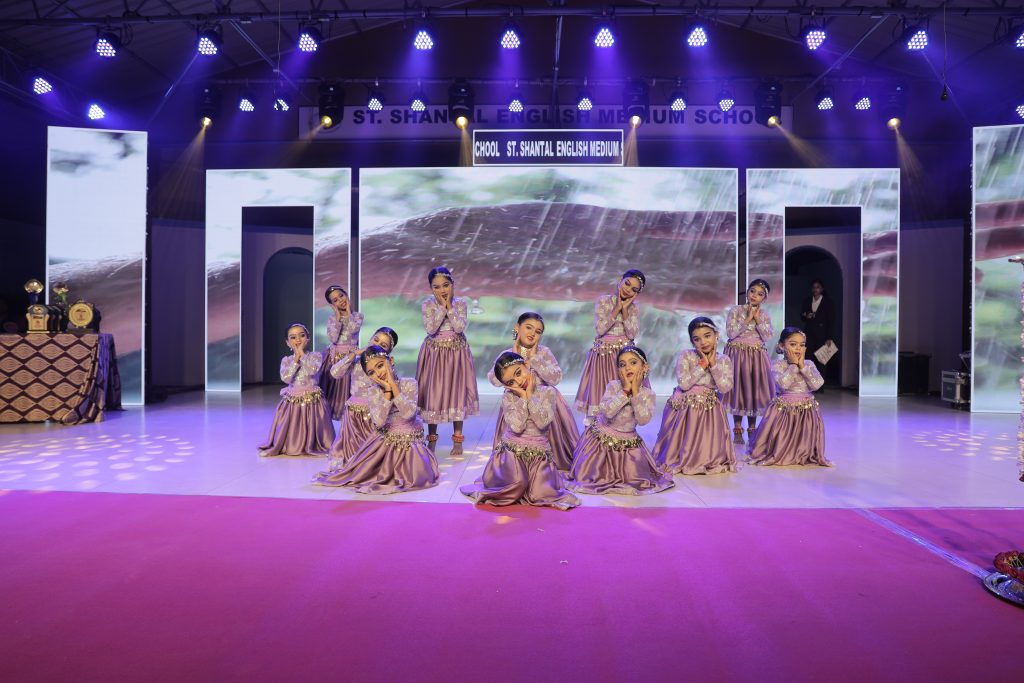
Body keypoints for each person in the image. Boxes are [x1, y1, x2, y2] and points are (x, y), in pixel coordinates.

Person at [461, 352, 580, 510]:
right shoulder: (509, 396)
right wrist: (523, 397)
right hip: (511, 455)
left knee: (539, 495)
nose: (519, 381)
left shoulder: (548, 392)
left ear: (527, 365)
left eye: (518, 373)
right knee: (517, 484)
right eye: (511, 382)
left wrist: (530, 395)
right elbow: (517, 427)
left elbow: (543, 423)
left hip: (539, 455)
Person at [313, 345, 439, 493]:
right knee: (370, 473)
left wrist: (393, 386)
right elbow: (379, 422)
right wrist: (387, 392)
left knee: (417, 475)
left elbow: (408, 414)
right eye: (371, 372)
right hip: (386, 440)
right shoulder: (374, 391)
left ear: (391, 360)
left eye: (380, 366)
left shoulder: (409, 383)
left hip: (411, 442)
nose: (378, 373)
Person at [569, 346, 674, 496]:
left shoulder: (648, 394)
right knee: (593, 475)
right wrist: (625, 392)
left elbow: (643, 419)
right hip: (602, 440)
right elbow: (607, 412)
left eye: (633, 362)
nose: (627, 368)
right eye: (622, 365)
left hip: (628, 441)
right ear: (618, 370)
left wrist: (635, 393)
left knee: (636, 478)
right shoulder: (613, 386)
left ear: (645, 367)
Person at [485, 312, 579, 471]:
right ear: (517, 328)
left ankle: (547, 466)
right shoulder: (508, 354)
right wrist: (515, 356)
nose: (532, 333)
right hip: (516, 401)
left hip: (543, 401)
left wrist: (535, 359)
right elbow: (494, 380)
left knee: (547, 436)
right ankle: (515, 465)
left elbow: (556, 378)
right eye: (528, 327)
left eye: (538, 331)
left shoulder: (544, 352)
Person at [653, 317, 736, 475]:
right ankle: (681, 456)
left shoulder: (724, 360)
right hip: (684, 405)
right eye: (697, 339)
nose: (703, 342)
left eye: (707, 336)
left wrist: (713, 365)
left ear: (716, 335)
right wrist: (702, 365)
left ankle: (702, 458)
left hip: (709, 408)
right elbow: (684, 384)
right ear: (692, 341)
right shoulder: (686, 355)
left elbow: (725, 387)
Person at [415, 266, 479, 452]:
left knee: (456, 392)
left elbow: (459, 327)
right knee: (433, 393)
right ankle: (432, 438)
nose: (442, 290)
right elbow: (431, 329)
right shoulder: (428, 305)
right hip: (434, 353)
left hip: (456, 353)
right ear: (431, 288)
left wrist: (449, 307)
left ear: (452, 284)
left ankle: (457, 439)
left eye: (445, 285)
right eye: (436, 287)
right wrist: (442, 307)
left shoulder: (460, 304)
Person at [747, 327, 831, 467]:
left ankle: (803, 452)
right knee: (781, 435)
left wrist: (802, 367)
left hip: (806, 410)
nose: (798, 348)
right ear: (781, 345)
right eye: (793, 344)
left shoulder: (808, 364)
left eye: (802, 345)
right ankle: (782, 451)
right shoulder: (777, 365)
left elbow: (817, 384)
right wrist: (793, 366)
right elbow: (783, 384)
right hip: (784, 410)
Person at [574, 269, 647, 422]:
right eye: (627, 283)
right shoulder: (603, 301)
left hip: (624, 357)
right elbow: (600, 329)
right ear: (620, 280)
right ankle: (596, 430)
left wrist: (625, 310)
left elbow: (632, 334)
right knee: (601, 394)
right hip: (603, 355)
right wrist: (617, 308)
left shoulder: (634, 307)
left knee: (623, 395)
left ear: (636, 294)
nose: (628, 290)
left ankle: (620, 428)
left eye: (634, 289)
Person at [322, 327, 398, 471]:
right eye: (375, 340)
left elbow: (393, 389)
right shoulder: (356, 361)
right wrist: (353, 355)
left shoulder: (385, 367)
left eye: (383, 345)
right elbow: (335, 372)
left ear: (388, 352)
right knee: (351, 448)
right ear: (370, 339)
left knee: (372, 449)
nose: (376, 345)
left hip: (374, 413)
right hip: (353, 413)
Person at [258, 323, 335, 457]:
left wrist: (302, 355)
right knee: (291, 424)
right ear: (288, 343)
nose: (298, 340)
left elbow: (312, 370)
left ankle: (314, 444)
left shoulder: (316, 356)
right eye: (293, 337)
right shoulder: (287, 360)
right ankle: (290, 443)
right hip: (293, 399)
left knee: (313, 423)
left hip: (313, 399)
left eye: (301, 335)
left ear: (308, 339)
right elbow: (286, 378)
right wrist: (296, 359)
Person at [722, 279, 775, 445]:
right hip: (737, 354)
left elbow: (768, 336)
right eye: (752, 291)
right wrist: (747, 320)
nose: (754, 296)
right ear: (747, 292)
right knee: (738, 390)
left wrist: (757, 320)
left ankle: (752, 428)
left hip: (756, 357)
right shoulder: (736, 310)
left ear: (764, 298)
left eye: (760, 294)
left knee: (753, 390)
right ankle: (737, 428)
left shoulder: (764, 315)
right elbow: (731, 333)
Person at [319, 285, 363, 420]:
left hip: (349, 357)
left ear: (346, 295)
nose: (340, 300)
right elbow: (333, 338)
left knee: (346, 389)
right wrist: (338, 317)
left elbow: (353, 329)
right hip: (333, 358)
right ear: (332, 305)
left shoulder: (357, 316)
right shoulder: (332, 319)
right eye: (335, 300)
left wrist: (348, 312)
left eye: (341, 296)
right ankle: (327, 418)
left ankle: (346, 419)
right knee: (332, 390)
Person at [800, 279, 835, 386]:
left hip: (822, 334)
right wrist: (806, 315)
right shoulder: (807, 300)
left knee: (822, 360)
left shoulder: (827, 302)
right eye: (814, 287)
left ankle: (820, 385)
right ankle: (809, 383)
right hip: (809, 332)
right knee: (808, 358)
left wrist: (829, 337)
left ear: (822, 289)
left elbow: (831, 320)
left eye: (818, 287)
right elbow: (802, 315)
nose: (815, 289)